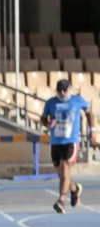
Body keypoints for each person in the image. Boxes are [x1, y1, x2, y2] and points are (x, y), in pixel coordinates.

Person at [43, 78, 96, 213]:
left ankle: (61, 200)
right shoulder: (51, 103)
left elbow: (89, 112)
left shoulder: (77, 100)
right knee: (62, 174)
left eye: (65, 90)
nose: (62, 92)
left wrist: (92, 131)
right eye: (60, 90)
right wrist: (48, 123)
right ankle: (75, 189)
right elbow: (43, 118)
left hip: (71, 141)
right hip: (56, 142)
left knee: (65, 168)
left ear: (69, 89)